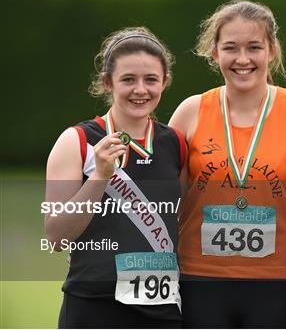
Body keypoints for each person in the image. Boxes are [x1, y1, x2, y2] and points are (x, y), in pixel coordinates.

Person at [168, 0, 286, 328]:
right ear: (214, 53)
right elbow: (164, 195)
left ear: (272, 50)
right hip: (199, 278)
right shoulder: (190, 112)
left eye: (254, 47)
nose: (243, 59)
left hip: (280, 280)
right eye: (231, 48)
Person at [45, 27, 186, 328]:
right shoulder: (77, 141)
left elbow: (188, 221)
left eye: (150, 79)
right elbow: (56, 236)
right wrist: (100, 177)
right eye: (128, 79)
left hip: (162, 309)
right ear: (107, 82)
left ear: (165, 82)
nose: (140, 90)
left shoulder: (177, 143)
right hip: (94, 306)